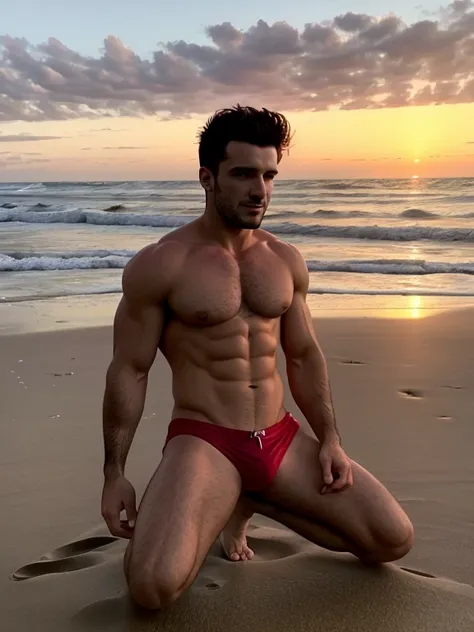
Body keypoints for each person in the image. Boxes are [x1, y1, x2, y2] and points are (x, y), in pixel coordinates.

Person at [100, 105, 414, 610]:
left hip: (280, 436)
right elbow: (130, 370)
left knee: (391, 540)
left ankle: (250, 495)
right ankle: (223, 492)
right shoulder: (161, 264)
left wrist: (331, 439)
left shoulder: (284, 260)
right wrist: (114, 474)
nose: (260, 190)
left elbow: (304, 355)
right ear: (208, 177)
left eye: (269, 175)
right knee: (152, 590)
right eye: (244, 174)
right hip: (206, 439)